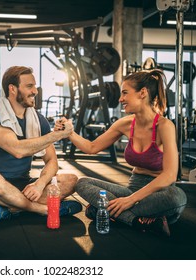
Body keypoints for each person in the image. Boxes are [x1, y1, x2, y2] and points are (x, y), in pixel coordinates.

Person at [55, 69, 187, 237]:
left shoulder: (164, 126)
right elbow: (91, 147)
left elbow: (169, 176)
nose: (120, 99)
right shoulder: (124, 124)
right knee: (82, 183)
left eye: (125, 93)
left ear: (143, 93)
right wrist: (69, 132)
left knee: (176, 197)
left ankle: (104, 211)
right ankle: (137, 221)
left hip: (158, 195)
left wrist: (129, 201)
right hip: (131, 190)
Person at [0, 66, 82, 222]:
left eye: (35, 86)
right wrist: (56, 135)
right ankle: (40, 209)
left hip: (25, 185)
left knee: (71, 180)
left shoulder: (39, 121)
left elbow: (52, 161)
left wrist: (39, 184)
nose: (35, 91)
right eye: (29, 86)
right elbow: (17, 149)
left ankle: (10, 209)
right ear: (12, 89)